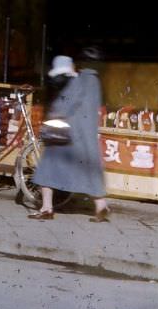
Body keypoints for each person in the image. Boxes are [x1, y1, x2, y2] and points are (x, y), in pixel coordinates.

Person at [28, 52, 110, 222]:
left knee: (47, 168)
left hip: (70, 134)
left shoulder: (80, 80)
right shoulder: (95, 81)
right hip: (86, 136)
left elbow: (66, 104)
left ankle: (46, 208)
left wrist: (52, 113)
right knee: (89, 171)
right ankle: (101, 206)